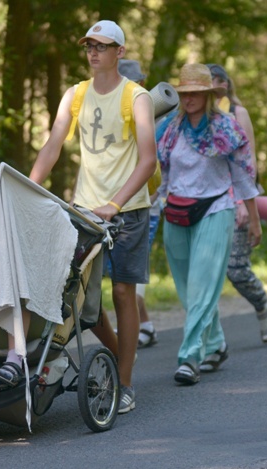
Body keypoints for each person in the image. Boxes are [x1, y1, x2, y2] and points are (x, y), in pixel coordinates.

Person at [29, 20, 157, 414]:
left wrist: (116, 204)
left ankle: (127, 381)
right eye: (89, 46)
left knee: (123, 293)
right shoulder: (75, 94)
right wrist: (27, 190)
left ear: (119, 52)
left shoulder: (136, 97)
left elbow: (148, 161)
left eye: (102, 46)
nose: (93, 52)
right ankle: (120, 363)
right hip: (84, 212)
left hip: (128, 213)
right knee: (84, 302)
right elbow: (52, 145)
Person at [156, 63, 261, 386]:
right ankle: (216, 343)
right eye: (184, 93)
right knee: (188, 287)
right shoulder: (169, 130)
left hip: (216, 208)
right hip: (176, 210)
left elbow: (244, 175)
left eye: (195, 93)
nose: (189, 99)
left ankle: (190, 356)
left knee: (203, 284)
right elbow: (158, 172)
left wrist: (254, 218)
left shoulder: (226, 127)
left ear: (208, 95)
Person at [208, 63, 267, 345]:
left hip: (237, 197)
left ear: (225, 85)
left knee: (236, 269)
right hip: (208, 201)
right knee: (206, 273)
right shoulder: (192, 118)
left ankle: (263, 307)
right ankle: (210, 341)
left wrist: (242, 202)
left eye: (215, 83)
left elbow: (247, 162)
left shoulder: (238, 113)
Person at [117, 58, 159, 348]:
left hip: (146, 205)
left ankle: (135, 334)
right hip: (112, 206)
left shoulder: (149, 112)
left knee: (129, 280)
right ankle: (144, 324)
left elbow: (155, 164)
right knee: (118, 283)